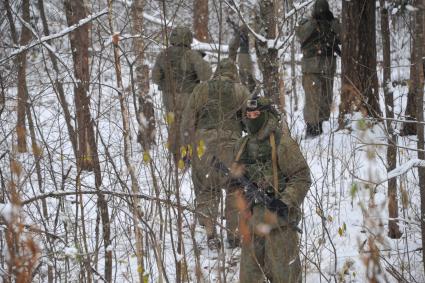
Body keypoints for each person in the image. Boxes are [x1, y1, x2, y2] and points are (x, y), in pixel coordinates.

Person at [232, 97, 311, 282]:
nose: (252, 118)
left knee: (286, 277)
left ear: (267, 115)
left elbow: (302, 176)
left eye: (257, 114)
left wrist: (285, 201)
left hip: (279, 223)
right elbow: (234, 176)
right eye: (248, 114)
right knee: (249, 278)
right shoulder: (242, 145)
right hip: (252, 223)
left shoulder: (283, 143)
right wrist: (233, 182)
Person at [181, 58, 250, 249]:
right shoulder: (240, 91)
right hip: (232, 147)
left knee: (207, 190)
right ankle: (234, 236)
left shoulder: (201, 89)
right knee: (235, 189)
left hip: (203, 147)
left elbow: (188, 121)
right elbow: (250, 121)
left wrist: (186, 148)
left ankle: (211, 234)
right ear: (233, 73)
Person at [152, 26, 212, 162]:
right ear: (188, 38)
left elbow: (155, 78)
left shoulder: (163, 54)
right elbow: (206, 75)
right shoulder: (191, 55)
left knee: (174, 125)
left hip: (168, 99)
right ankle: (188, 156)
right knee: (189, 125)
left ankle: (175, 156)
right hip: (188, 97)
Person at [295, 0, 341, 137]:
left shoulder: (332, 23)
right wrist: (314, 22)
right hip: (311, 67)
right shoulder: (306, 23)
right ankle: (312, 128)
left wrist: (332, 23)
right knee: (312, 99)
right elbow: (301, 34)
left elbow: (344, 36)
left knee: (326, 99)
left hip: (327, 66)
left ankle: (322, 125)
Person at [228, 22, 256, 93]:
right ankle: (248, 94)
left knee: (246, 77)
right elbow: (233, 46)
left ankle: (248, 93)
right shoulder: (245, 29)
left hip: (246, 55)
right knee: (246, 77)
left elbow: (233, 46)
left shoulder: (245, 29)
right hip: (245, 54)